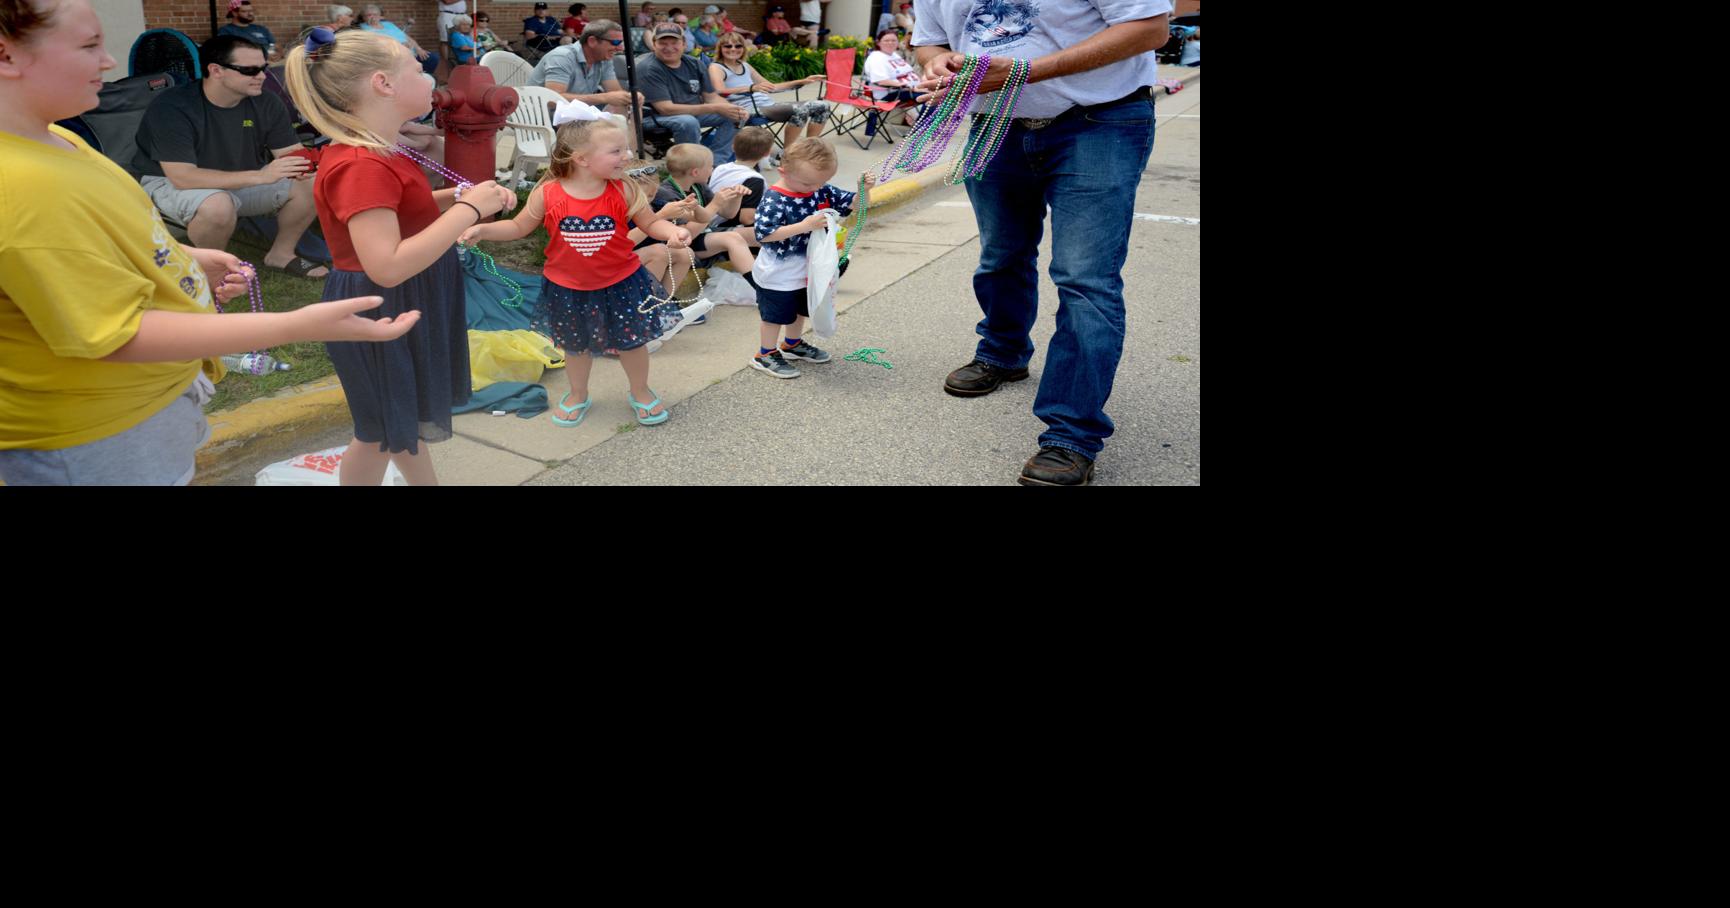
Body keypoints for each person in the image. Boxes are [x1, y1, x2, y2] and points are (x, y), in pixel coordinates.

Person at [0, 0, 418, 486]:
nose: (110, 61)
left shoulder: (51, 138)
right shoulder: (22, 186)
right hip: (94, 434)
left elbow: (99, 245)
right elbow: (118, 335)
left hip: (141, 409)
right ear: (6, 55)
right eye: (89, 45)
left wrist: (182, 259)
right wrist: (293, 324)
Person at [915, 0, 1171, 486]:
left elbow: (1149, 29)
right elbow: (930, 39)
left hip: (1099, 119)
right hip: (994, 125)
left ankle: (1071, 436)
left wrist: (1023, 73)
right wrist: (937, 61)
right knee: (1000, 254)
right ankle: (1003, 351)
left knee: (1084, 281)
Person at [284, 27, 518, 484]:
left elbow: (401, 211)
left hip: (401, 301)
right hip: (379, 307)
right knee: (378, 430)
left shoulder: (376, 151)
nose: (432, 78)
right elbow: (386, 265)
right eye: (418, 68)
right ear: (383, 84)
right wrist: (471, 208)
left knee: (398, 421)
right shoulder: (361, 164)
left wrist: (458, 197)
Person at [458, 106, 694, 428]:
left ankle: (640, 390)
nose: (626, 155)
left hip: (621, 282)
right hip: (567, 287)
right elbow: (517, 227)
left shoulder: (624, 189)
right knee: (574, 345)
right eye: (616, 150)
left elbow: (651, 223)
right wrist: (483, 229)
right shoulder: (548, 192)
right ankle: (578, 393)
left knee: (631, 342)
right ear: (582, 158)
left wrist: (674, 232)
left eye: (624, 148)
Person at [132, 35, 328, 279]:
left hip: (242, 179)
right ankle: (211, 272)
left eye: (263, 68)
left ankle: (281, 254)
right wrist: (261, 176)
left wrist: (316, 160)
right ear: (216, 71)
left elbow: (290, 154)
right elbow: (182, 177)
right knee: (217, 206)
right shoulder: (172, 107)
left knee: (311, 182)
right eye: (250, 70)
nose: (262, 76)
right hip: (170, 183)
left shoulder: (266, 101)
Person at [748, 138, 872, 379]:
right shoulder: (775, 198)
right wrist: (803, 226)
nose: (815, 188)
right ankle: (765, 354)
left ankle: (792, 344)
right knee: (774, 316)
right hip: (778, 274)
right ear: (783, 171)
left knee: (802, 310)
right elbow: (764, 234)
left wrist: (864, 190)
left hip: (810, 270)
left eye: (822, 182)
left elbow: (854, 205)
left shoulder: (818, 188)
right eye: (808, 183)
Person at [637, 22, 747, 163]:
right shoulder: (649, 68)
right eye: (663, 43)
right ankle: (691, 165)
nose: (669, 48)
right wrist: (715, 108)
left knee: (736, 115)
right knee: (687, 122)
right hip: (654, 118)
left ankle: (716, 163)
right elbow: (665, 109)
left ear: (684, 43)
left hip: (692, 112)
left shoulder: (694, 64)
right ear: (654, 44)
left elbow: (711, 97)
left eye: (674, 42)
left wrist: (733, 109)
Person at [654, 143, 754, 274]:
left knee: (757, 233)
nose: (712, 170)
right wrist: (715, 205)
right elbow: (685, 235)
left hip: (705, 234)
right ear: (695, 172)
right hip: (686, 244)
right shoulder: (666, 193)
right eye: (710, 166)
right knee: (732, 238)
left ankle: (774, 275)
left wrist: (737, 197)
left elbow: (728, 214)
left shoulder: (698, 185)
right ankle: (760, 286)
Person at [709, 33, 826, 140]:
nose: (733, 49)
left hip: (768, 105)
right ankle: (787, 153)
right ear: (720, 48)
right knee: (801, 109)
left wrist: (803, 80)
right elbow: (719, 91)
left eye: (738, 46)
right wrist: (750, 88)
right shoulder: (716, 67)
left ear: (743, 48)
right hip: (747, 109)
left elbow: (771, 87)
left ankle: (810, 145)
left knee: (822, 106)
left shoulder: (745, 65)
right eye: (728, 46)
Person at [862, 29, 920, 130]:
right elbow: (881, 81)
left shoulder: (894, 55)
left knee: (937, 94)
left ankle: (918, 120)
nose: (890, 43)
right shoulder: (876, 58)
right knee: (930, 98)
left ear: (898, 42)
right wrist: (907, 86)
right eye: (886, 40)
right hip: (889, 94)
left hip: (905, 90)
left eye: (893, 40)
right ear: (878, 42)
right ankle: (922, 124)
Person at [358, 5, 438, 74]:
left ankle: (425, 80)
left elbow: (407, 37)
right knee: (414, 68)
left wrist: (418, 49)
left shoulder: (388, 24)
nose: (373, 17)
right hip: (395, 57)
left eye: (375, 14)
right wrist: (399, 46)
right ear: (363, 17)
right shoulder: (364, 28)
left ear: (380, 16)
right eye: (369, 15)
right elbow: (376, 45)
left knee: (433, 58)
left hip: (411, 52)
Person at [436, 0, 466, 65]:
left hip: (462, 15)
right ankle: (446, 63)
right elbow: (447, 1)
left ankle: (459, 61)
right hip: (448, 15)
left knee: (462, 39)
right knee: (445, 41)